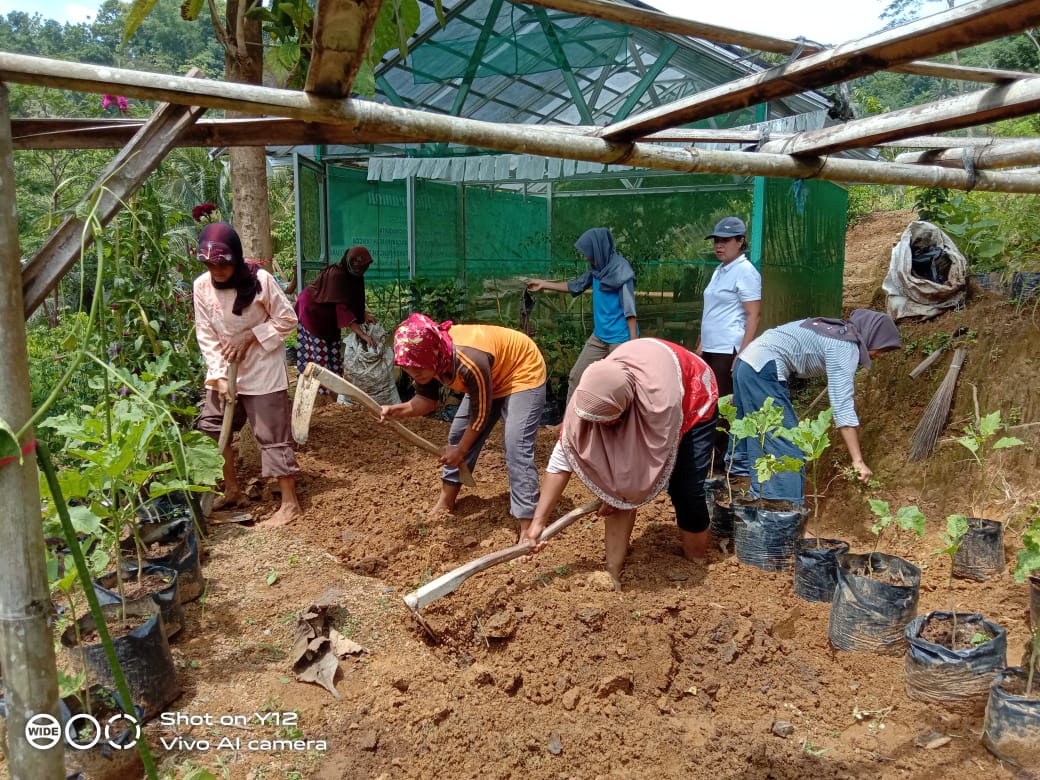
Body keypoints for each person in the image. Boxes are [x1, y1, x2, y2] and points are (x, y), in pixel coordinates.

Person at [523, 338, 719, 588]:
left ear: (624, 412)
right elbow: (562, 458)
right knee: (619, 492)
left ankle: (696, 559)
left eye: (607, 423)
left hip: (692, 396)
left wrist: (616, 493)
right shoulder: (589, 395)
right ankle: (612, 572)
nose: (600, 430)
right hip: (632, 389)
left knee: (686, 488)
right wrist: (539, 521)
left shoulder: (661, 405)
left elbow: (639, 472)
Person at [380, 314, 546, 526]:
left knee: (516, 445)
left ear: (436, 353)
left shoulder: (469, 361)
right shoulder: (425, 358)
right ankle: (446, 501)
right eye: (408, 368)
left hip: (521, 370)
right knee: (458, 436)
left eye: (418, 369)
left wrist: (461, 450)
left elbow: (480, 415)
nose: (414, 373)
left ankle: (528, 523)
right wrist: (395, 411)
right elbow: (426, 401)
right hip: (490, 374)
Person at [192, 222, 303, 528]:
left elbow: (287, 319)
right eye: (210, 265)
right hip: (225, 368)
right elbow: (206, 333)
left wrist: (251, 336)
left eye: (223, 264)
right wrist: (219, 376)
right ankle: (231, 489)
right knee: (213, 428)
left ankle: (289, 503)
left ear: (236, 258)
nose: (217, 271)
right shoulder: (201, 287)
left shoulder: (261, 281)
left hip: (263, 366)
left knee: (272, 433)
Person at [732, 308, 901, 503]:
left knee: (752, 435)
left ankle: (744, 498)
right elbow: (842, 406)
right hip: (762, 368)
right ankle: (781, 513)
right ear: (872, 336)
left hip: (747, 363)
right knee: (786, 447)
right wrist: (858, 461)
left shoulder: (834, 331)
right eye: (881, 348)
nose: (879, 355)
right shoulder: (845, 346)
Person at [527, 227, 638, 402]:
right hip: (600, 336)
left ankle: (624, 426)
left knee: (620, 385)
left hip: (620, 338)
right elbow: (576, 286)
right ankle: (569, 425)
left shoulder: (622, 272)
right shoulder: (596, 268)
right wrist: (544, 284)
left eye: (588, 253)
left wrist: (632, 344)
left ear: (598, 249)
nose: (586, 257)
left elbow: (630, 309)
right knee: (576, 377)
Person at [697, 216, 762, 472]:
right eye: (716, 240)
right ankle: (706, 459)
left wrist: (742, 354)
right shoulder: (719, 271)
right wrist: (700, 344)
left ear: (740, 241)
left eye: (725, 240)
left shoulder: (746, 272)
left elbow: (753, 315)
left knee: (723, 406)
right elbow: (710, 311)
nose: (718, 245)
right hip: (710, 348)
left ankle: (721, 466)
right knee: (706, 402)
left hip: (728, 349)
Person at [293, 246, 377, 397]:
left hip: (329, 319)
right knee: (319, 357)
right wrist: (362, 334)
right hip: (312, 313)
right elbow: (342, 307)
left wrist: (364, 314)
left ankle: (334, 394)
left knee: (333, 354)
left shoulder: (355, 277)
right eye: (356, 267)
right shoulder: (336, 275)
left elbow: (353, 299)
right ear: (349, 261)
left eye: (362, 268)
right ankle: (318, 397)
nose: (359, 270)